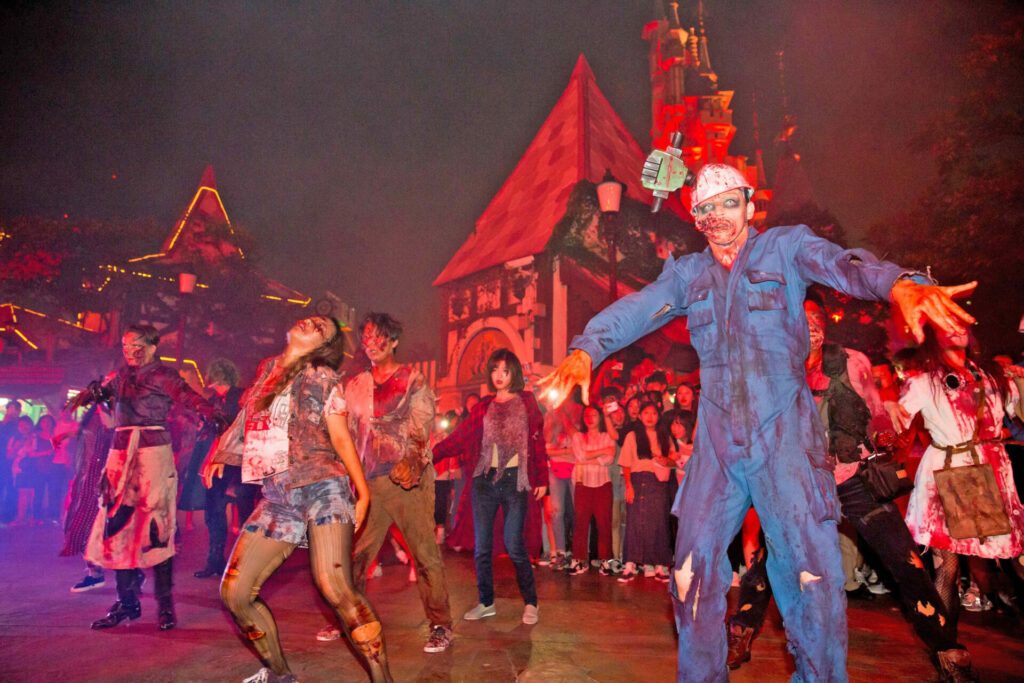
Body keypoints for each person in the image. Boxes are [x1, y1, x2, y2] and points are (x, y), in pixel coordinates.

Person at [540, 161, 977, 681]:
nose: (718, 215)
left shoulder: (785, 248)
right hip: (717, 444)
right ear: (696, 218)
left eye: (729, 202)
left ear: (750, 205)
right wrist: (587, 349)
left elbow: (845, 264)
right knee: (690, 575)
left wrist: (900, 283)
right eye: (706, 208)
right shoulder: (688, 274)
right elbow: (638, 307)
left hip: (785, 437)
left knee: (812, 578)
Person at [725, 295, 967, 681]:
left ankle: (947, 650)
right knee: (771, 559)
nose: (814, 325)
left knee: (906, 561)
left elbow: (875, 412)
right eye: (805, 318)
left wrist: (884, 434)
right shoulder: (773, 367)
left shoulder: (852, 362)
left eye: (819, 318)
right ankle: (741, 631)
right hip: (800, 484)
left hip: (852, 476)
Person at [206, 315, 392, 683]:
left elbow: (340, 437)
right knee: (235, 593)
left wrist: (363, 491)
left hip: (323, 486)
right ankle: (279, 675)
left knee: (335, 586)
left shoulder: (324, 377)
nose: (311, 322)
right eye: (311, 319)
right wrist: (220, 452)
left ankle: (382, 680)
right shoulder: (267, 371)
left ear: (324, 346)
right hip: (277, 494)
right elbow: (246, 417)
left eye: (321, 327)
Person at [898, 324, 1024, 677]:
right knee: (947, 569)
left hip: (992, 472)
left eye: (959, 324)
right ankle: (948, 655)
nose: (954, 330)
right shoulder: (924, 382)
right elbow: (894, 423)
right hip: (949, 475)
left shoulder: (995, 377)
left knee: (1015, 557)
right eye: (945, 325)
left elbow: (1017, 414)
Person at [83, 324, 220, 631]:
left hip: (152, 457)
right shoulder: (120, 377)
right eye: (125, 346)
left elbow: (190, 397)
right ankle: (127, 602)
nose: (130, 351)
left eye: (136, 345)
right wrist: (98, 397)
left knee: (157, 530)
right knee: (116, 529)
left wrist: (210, 412)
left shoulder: (164, 375)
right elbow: (108, 417)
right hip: (120, 457)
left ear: (152, 346)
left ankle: (165, 606)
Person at [331, 312, 454, 653]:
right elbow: (344, 432)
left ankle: (441, 625)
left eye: (378, 337)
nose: (370, 344)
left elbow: (421, 423)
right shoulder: (355, 385)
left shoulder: (413, 380)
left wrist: (412, 458)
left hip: (408, 483)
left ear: (394, 341)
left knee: (425, 555)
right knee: (356, 556)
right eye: (366, 338)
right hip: (370, 484)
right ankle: (349, 619)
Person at [432, 348, 548, 624]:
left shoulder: (527, 403)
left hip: (515, 481)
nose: (499, 375)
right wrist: (431, 454)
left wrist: (542, 479)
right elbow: (460, 438)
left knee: (514, 543)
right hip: (485, 481)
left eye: (505, 371)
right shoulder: (483, 407)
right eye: (495, 370)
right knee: (481, 547)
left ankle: (531, 602)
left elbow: (537, 442)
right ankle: (486, 602)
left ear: (514, 374)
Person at [193, 358, 259, 579]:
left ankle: (247, 565)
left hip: (241, 461)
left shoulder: (241, 397)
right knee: (214, 511)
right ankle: (215, 561)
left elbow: (244, 428)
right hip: (220, 462)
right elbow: (212, 432)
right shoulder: (214, 401)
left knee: (245, 513)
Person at [616, 400, 674, 583]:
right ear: (640, 416)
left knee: (658, 523)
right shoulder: (633, 436)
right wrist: (629, 486)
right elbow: (626, 463)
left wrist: (665, 460)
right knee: (635, 522)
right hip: (637, 480)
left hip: (658, 481)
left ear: (659, 416)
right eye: (646, 413)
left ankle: (659, 565)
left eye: (654, 413)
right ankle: (630, 564)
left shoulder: (664, 436)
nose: (650, 417)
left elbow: (674, 459)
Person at [61, 404, 114, 592]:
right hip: (86, 475)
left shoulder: (111, 414)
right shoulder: (94, 414)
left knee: (94, 527)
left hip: (101, 478)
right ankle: (99, 572)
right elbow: (86, 436)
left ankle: (100, 574)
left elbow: (113, 436)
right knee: (84, 526)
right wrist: (65, 436)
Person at [566, 404, 615, 575]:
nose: (590, 418)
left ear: (600, 417)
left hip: (603, 482)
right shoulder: (578, 436)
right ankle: (579, 559)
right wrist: (601, 452)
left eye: (594, 414)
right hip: (582, 482)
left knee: (604, 522)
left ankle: (605, 560)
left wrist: (588, 458)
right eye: (586, 415)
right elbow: (580, 455)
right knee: (580, 522)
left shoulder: (607, 436)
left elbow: (610, 458)